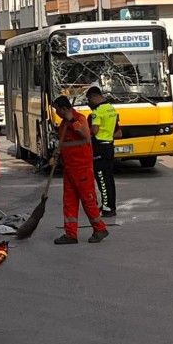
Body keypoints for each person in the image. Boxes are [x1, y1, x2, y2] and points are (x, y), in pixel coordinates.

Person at [52, 96, 109, 245]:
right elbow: (65, 144)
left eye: (57, 109)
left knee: (88, 200)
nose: (56, 112)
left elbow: (85, 133)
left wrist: (72, 120)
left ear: (64, 109)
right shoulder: (63, 124)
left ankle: (100, 229)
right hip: (69, 168)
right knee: (69, 201)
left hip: (82, 168)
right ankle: (70, 234)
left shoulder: (79, 119)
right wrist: (58, 154)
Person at [86, 86, 119, 216]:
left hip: (99, 147)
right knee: (109, 178)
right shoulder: (111, 108)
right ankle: (111, 205)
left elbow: (94, 130)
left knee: (101, 178)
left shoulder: (97, 112)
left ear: (94, 97)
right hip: (109, 145)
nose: (89, 103)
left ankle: (106, 207)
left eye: (89, 100)